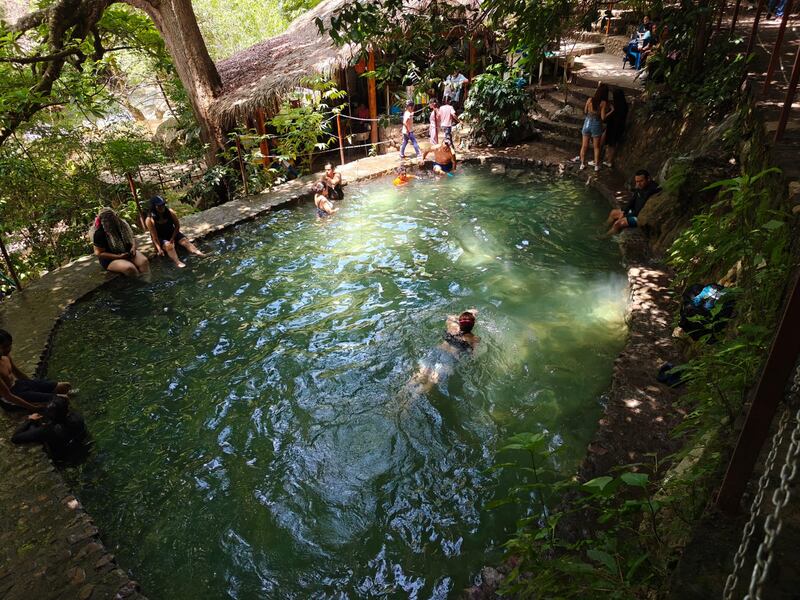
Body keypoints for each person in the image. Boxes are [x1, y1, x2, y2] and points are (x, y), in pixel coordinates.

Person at [406, 310, 479, 396]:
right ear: (472, 325)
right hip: (448, 359)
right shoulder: (474, 339)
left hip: (436, 352)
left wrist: (466, 315)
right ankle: (411, 401)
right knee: (430, 382)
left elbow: (450, 316)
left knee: (419, 376)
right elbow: (473, 355)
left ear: (460, 321)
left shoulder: (452, 326)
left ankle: (403, 392)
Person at [0, 328, 71, 412]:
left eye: (9, 345)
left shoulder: (6, 356)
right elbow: (8, 396)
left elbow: (19, 374)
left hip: (20, 385)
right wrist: (33, 408)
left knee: (66, 386)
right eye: (4, 347)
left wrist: (34, 385)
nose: (8, 349)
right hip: (12, 396)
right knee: (63, 400)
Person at [11, 396, 87, 460]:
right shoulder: (77, 416)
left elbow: (15, 438)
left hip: (63, 458)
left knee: (34, 426)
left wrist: (30, 420)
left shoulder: (47, 430)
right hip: (80, 448)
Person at [145, 196, 203, 269]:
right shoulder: (149, 220)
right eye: (159, 206)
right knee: (169, 246)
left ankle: (199, 253)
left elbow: (177, 226)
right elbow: (154, 237)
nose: (162, 207)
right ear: (154, 207)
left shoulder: (170, 212)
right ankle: (177, 262)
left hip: (172, 233)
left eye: (163, 205)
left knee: (185, 241)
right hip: (160, 237)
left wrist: (172, 238)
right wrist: (159, 249)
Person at [92, 207, 149, 276]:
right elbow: (98, 253)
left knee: (144, 261)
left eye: (112, 217)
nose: (110, 221)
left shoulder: (123, 225)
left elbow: (132, 238)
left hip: (128, 252)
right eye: (107, 220)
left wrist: (133, 248)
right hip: (110, 259)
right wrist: (118, 257)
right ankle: (139, 284)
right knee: (130, 268)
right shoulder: (99, 233)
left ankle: (147, 281)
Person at [606, 169, 661, 235]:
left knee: (618, 224)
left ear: (648, 179)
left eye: (641, 181)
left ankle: (605, 236)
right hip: (634, 210)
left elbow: (639, 209)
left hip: (639, 216)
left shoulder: (651, 190)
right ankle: (604, 227)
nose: (638, 184)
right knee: (613, 213)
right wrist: (624, 212)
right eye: (637, 181)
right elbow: (633, 199)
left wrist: (626, 216)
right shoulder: (640, 186)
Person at [575, 84, 609, 172]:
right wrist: (611, 111)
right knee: (596, 147)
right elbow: (603, 118)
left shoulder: (590, 100)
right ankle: (596, 166)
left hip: (587, 122)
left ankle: (582, 164)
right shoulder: (603, 103)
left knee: (584, 145)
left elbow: (585, 111)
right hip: (596, 124)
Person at [601, 88, 628, 168]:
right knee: (611, 144)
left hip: (613, 127)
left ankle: (609, 161)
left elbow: (610, 117)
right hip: (620, 127)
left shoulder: (616, 106)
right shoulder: (624, 106)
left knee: (611, 145)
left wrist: (611, 110)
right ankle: (607, 159)